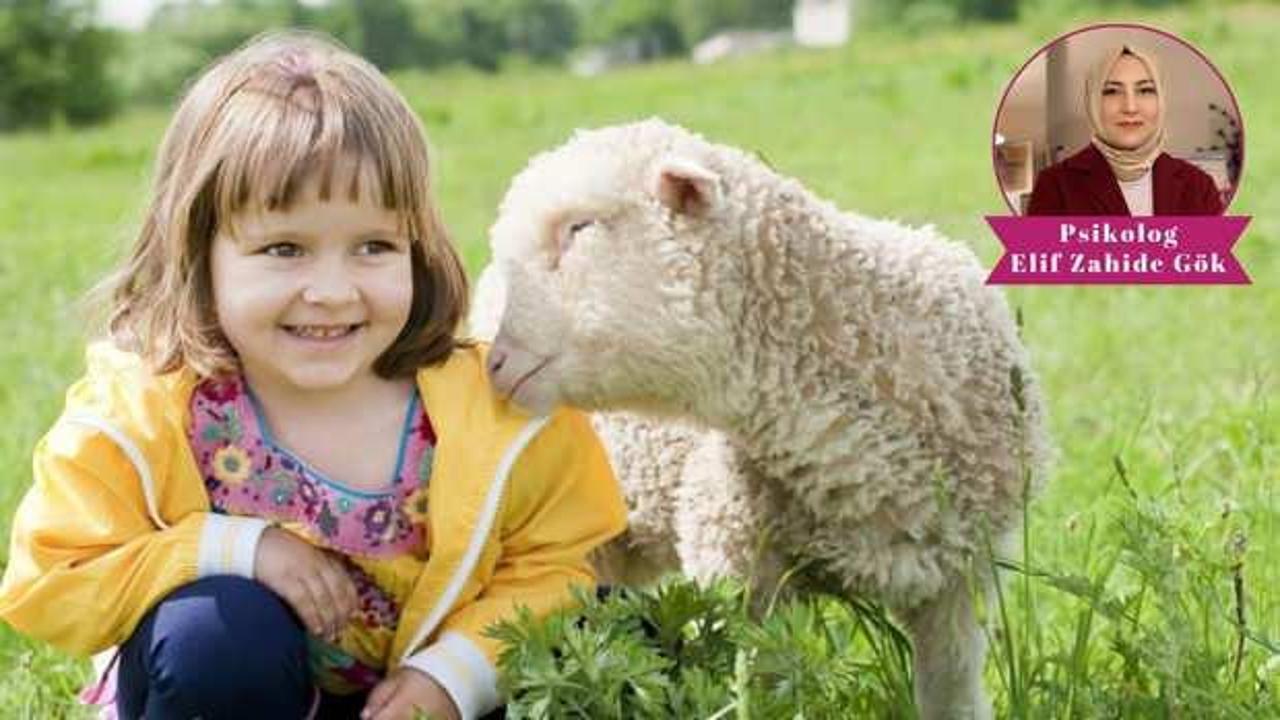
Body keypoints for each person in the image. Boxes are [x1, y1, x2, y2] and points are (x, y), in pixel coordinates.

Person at [0, 30, 627, 720]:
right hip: (233, 690)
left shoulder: (493, 409)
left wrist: (455, 677)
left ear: (416, 248)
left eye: (373, 246)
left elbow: (558, 565)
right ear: (198, 250)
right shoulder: (146, 410)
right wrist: (232, 548)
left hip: (417, 697)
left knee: (609, 637)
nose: (332, 290)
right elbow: (51, 583)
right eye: (284, 249)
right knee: (216, 632)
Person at [1026, 44, 1224, 216]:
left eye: (1145, 90)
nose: (1130, 107)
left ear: (1161, 101)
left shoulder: (1199, 187)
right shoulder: (1054, 186)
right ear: (1093, 102)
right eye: (1111, 91)